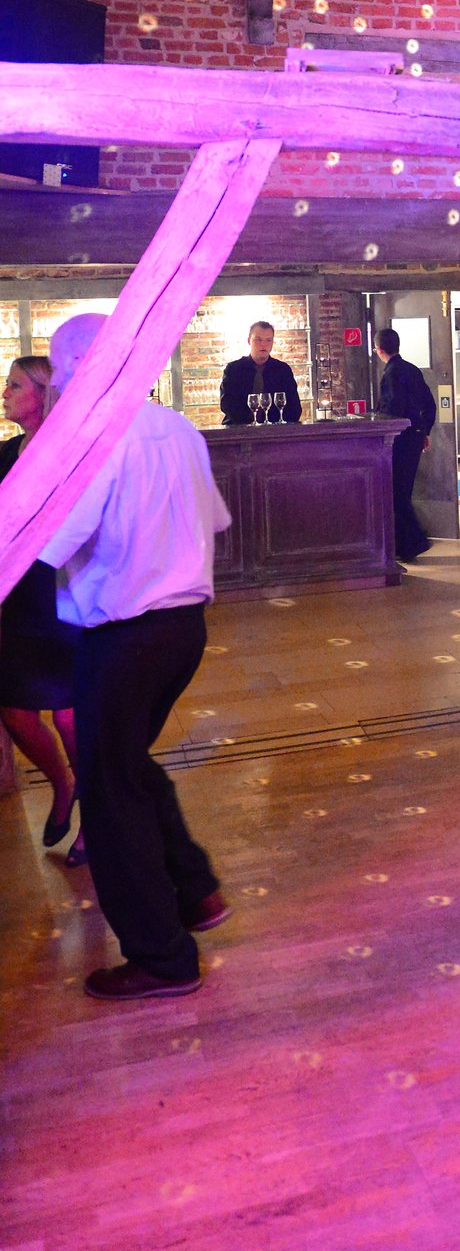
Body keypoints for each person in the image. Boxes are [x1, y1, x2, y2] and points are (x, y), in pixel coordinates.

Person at [41, 314, 233, 1002]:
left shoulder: (93, 436)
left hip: (124, 635)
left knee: (109, 788)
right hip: (183, 627)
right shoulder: (174, 425)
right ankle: (195, 888)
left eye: (62, 372)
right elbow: (213, 519)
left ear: (89, 364)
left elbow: (52, 540)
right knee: (129, 764)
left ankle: (162, 956)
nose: (57, 386)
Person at [0, 356, 85, 864]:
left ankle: (95, 814)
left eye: (14, 385)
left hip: (66, 594)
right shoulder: (6, 454)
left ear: (43, 393)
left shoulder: (71, 452)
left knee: (71, 714)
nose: (5, 392)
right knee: (14, 709)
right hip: (19, 601)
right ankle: (63, 783)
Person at [374, 328, 437, 563]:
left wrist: (379, 426)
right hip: (414, 436)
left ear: (379, 350)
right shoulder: (412, 369)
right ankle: (408, 544)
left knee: (396, 492)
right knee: (403, 490)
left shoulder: (390, 373)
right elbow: (429, 404)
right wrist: (423, 430)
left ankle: (414, 542)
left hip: (398, 439)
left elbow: (392, 409)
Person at [219, 320, 302, 425]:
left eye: (268, 340)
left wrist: (271, 426)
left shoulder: (282, 370)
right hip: (238, 430)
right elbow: (227, 405)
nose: (263, 344)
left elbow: (294, 408)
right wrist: (250, 425)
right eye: (258, 340)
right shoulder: (234, 369)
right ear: (249, 341)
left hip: (274, 432)